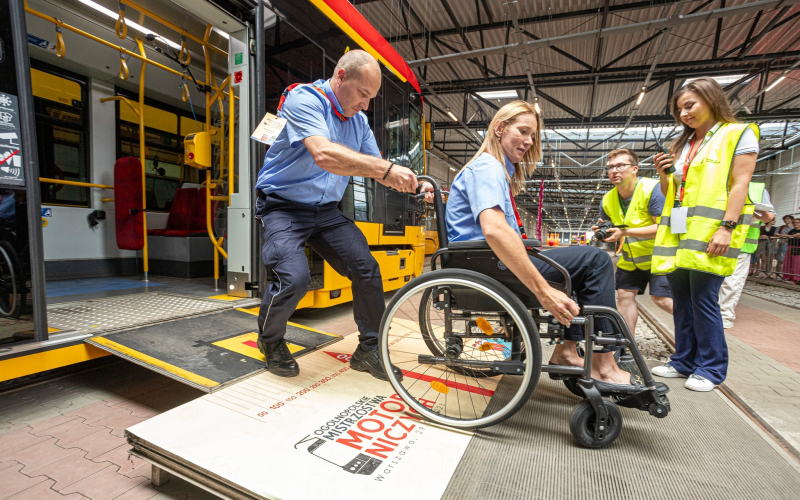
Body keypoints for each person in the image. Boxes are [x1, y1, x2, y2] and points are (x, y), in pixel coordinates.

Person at [253, 50, 431, 380]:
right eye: (363, 94)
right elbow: (323, 154)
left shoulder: (359, 122)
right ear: (341, 77)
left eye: (371, 98)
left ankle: (369, 350)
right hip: (283, 206)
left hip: (325, 211)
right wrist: (386, 168)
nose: (366, 105)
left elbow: (378, 170)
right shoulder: (304, 99)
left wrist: (415, 184)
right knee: (295, 278)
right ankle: (270, 340)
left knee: (366, 268)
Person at [445, 100, 636, 386]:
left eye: (532, 135)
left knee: (581, 263)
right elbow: (495, 230)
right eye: (522, 131)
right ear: (499, 128)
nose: (528, 141)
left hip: (487, 264)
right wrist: (543, 290)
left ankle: (567, 352)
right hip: (489, 268)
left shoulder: (496, 169)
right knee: (595, 261)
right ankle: (603, 364)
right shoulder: (487, 169)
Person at [651, 77, 758, 392]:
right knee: (682, 300)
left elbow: (741, 183)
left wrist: (727, 227)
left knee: (704, 299)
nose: (684, 114)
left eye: (689, 105)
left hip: (713, 233)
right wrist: (663, 173)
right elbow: (671, 191)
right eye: (679, 109)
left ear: (711, 99)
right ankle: (683, 360)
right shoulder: (683, 144)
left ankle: (710, 369)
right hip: (681, 235)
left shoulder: (737, 135)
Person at [593, 148, 673, 344]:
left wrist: (625, 232)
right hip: (631, 258)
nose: (614, 170)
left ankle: (691, 339)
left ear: (635, 169)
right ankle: (627, 344)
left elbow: (663, 226)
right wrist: (603, 233)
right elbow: (610, 226)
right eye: (611, 167)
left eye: (620, 165)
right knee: (624, 297)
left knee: (661, 300)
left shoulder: (652, 189)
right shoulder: (608, 198)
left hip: (660, 256)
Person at [717, 182, 774, 329]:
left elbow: (769, 217)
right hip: (714, 240)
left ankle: (724, 317)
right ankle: (710, 314)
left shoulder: (757, 189)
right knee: (711, 280)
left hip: (742, 244)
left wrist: (759, 214)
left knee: (731, 282)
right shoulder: (716, 178)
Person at [782, 218, 800, 283]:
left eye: (798, 222)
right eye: (794, 222)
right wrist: (779, 235)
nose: (796, 224)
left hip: (797, 247)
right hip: (790, 247)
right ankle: (788, 277)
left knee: (796, 263)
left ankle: (796, 278)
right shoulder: (792, 230)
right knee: (788, 262)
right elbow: (787, 235)